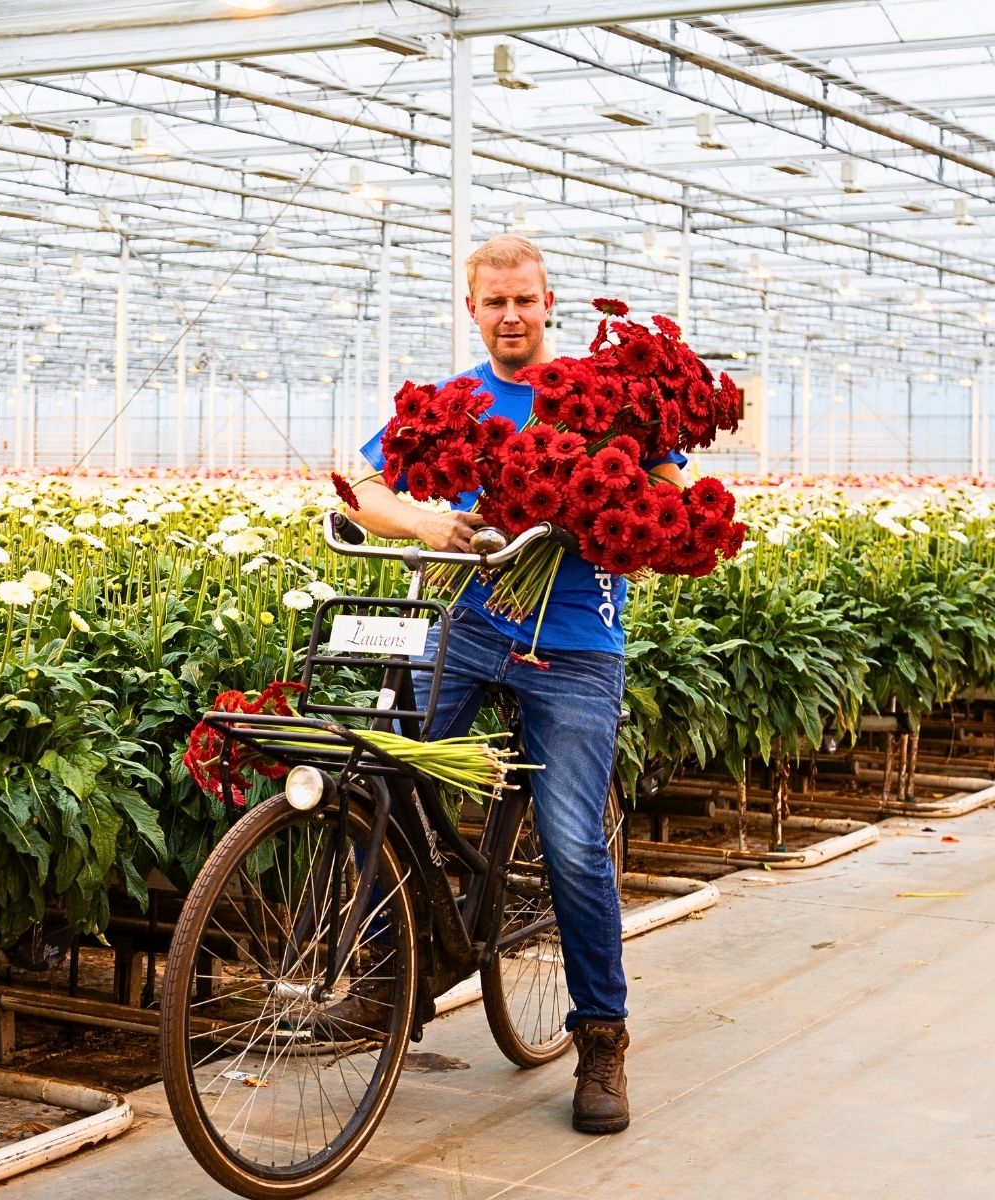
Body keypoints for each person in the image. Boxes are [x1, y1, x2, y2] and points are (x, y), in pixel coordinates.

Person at [351, 233, 685, 1135]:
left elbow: (664, 487)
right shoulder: (454, 399)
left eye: (523, 300)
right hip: (468, 624)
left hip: (577, 641)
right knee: (374, 768)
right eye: (493, 302)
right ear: (473, 308)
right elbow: (365, 487)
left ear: (548, 304)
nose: (509, 316)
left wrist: (630, 526)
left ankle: (602, 1038)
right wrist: (424, 522)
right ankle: (388, 960)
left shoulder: (601, 396)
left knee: (572, 842)